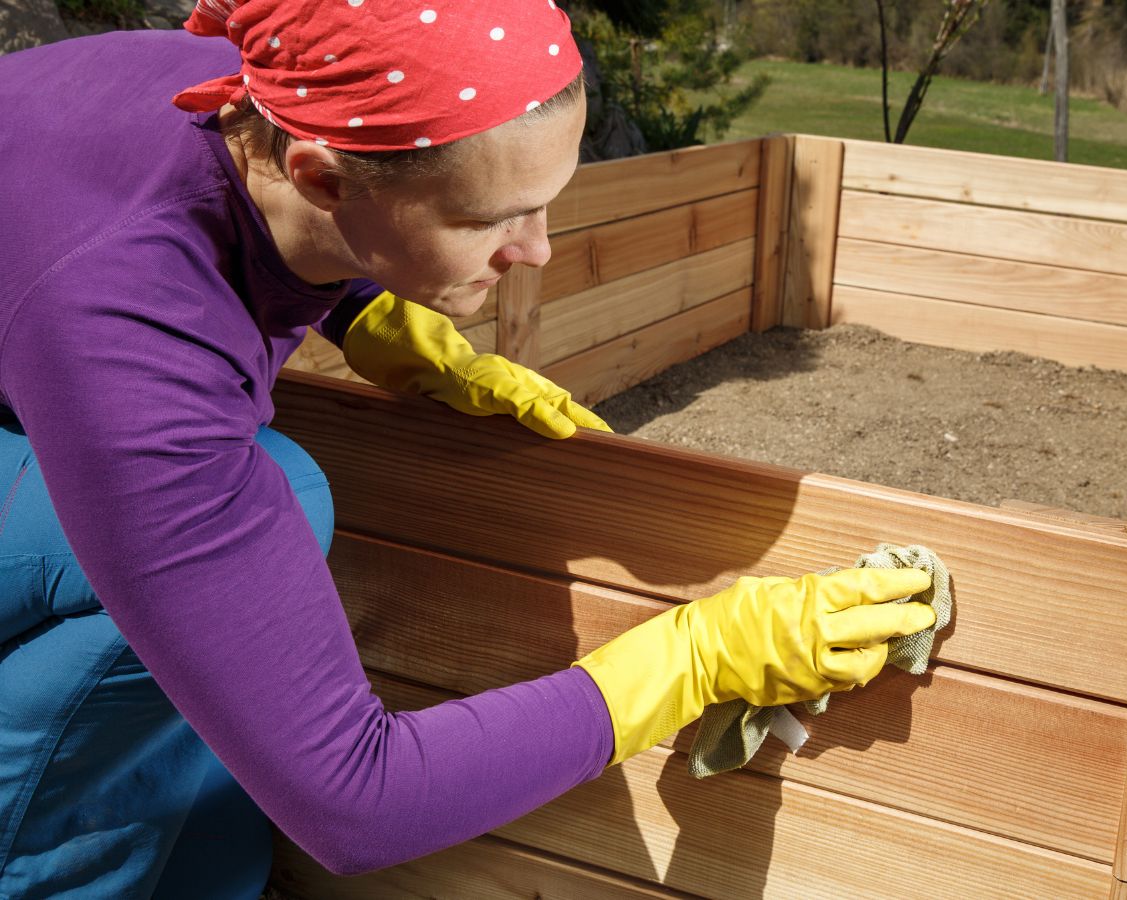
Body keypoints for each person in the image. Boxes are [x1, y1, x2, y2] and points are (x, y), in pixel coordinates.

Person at [0, 2, 937, 897]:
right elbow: (358, 806)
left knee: (273, 522)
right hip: (76, 348)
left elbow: (260, 230)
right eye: (490, 219)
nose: (538, 251)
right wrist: (687, 662)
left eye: (544, 203)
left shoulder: (277, 86)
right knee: (257, 518)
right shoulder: (131, 339)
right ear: (325, 178)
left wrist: (365, 313)